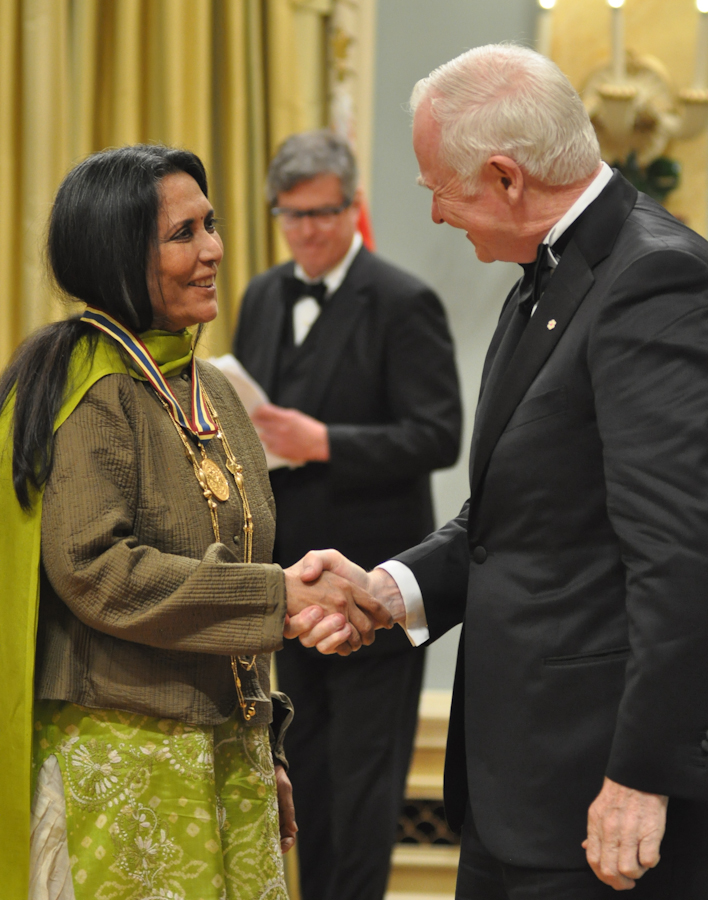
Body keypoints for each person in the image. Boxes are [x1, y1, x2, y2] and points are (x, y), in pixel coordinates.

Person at [303, 44, 708, 899]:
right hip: (519, 785)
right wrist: (390, 591)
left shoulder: (654, 281)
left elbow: (681, 556)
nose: (439, 215)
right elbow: (517, 518)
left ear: (505, 177)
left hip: (598, 792)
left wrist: (642, 776)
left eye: (435, 188)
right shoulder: (547, 276)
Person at [0, 144, 389, 899]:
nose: (214, 249)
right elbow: (97, 572)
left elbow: (230, 568)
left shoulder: (211, 389)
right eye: (184, 234)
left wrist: (261, 740)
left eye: (210, 225)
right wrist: (281, 598)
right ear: (116, 251)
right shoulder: (91, 388)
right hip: (121, 761)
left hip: (225, 750)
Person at [233, 130, 461, 900]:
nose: (308, 231)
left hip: (371, 591)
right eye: (292, 216)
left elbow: (439, 434)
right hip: (287, 588)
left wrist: (323, 441)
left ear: (353, 205)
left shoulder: (403, 299)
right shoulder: (263, 293)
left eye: (324, 213)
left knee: (364, 796)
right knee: (305, 788)